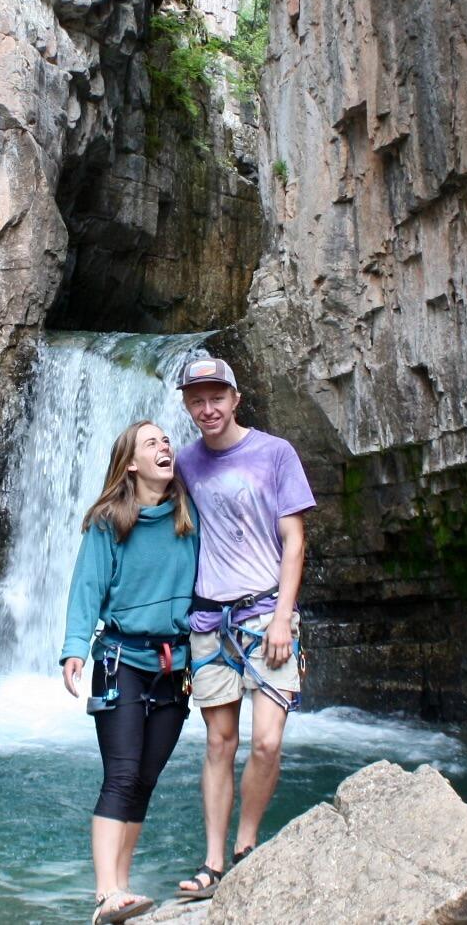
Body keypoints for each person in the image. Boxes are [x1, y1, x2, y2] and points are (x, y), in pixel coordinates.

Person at [172, 357, 316, 899]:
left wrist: (283, 616)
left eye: (216, 397)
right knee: (218, 743)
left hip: (265, 615)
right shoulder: (184, 462)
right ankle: (212, 863)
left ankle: (246, 847)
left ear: (235, 398)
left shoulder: (275, 453)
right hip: (209, 619)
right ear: (188, 405)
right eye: (196, 400)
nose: (206, 409)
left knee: (267, 743)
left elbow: (295, 540)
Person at [60, 420, 200, 924]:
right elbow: (86, 588)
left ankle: (122, 886)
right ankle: (105, 893)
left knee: (144, 778)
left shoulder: (190, 514)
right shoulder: (108, 520)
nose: (164, 447)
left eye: (167, 440)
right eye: (151, 443)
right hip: (121, 661)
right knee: (120, 774)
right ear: (132, 463)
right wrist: (75, 647)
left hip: (175, 665)